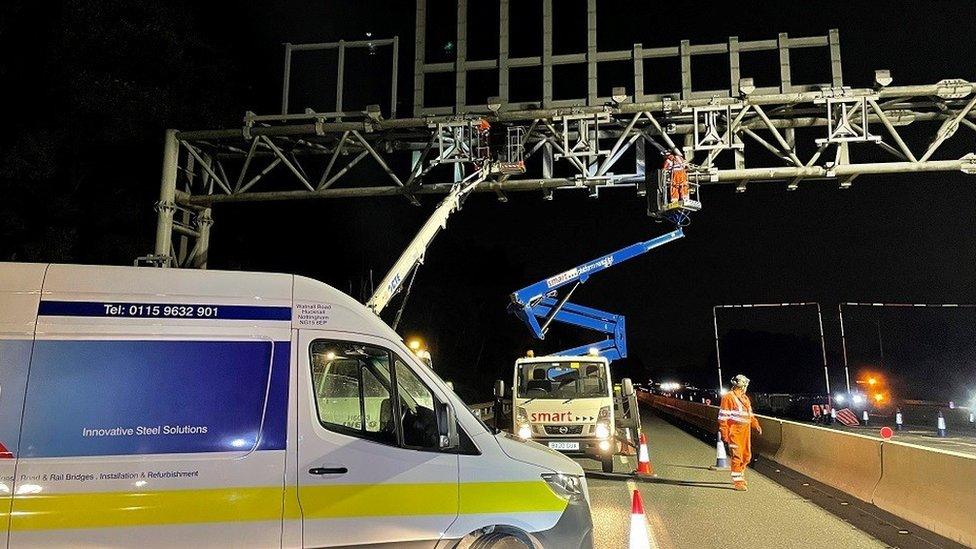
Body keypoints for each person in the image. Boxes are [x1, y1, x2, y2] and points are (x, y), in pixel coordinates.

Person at [719, 374, 762, 491]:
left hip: (745, 432)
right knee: (737, 456)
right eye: (745, 384)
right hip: (735, 432)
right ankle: (738, 482)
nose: (746, 386)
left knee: (746, 456)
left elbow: (750, 415)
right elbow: (723, 417)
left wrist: (756, 425)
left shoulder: (745, 398)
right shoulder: (728, 397)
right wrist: (725, 433)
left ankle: (740, 475)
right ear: (740, 384)